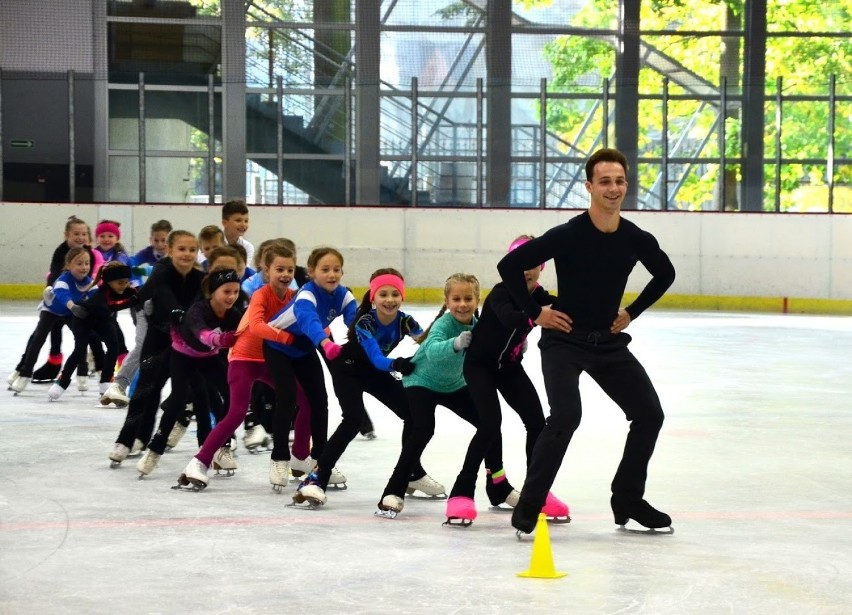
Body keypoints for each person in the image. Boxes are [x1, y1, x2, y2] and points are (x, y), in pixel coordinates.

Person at [497, 148, 676, 534]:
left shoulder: (635, 238)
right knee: (565, 417)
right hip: (564, 340)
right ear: (590, 187)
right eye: (605, 181)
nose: (613, 189)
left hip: (609, 343)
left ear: (626, 185)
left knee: (649, 414)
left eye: (619, 181)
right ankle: (530, 501)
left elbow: (665, 274)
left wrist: (632, 312)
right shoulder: (569, 234)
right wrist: (535, 313)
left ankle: (627, 498)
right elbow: (509, 266)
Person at [444, 236, 569, 526]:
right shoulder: (501, 293)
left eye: (533, 264)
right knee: (489, 424)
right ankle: (461, 492)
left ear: (542, 266)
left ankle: (536, 492)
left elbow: (564, 306)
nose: (527, 269)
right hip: (480, 366)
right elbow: (511, 317)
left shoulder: (540, 296)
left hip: (509, 367)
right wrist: (539, 317)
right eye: (520, 263)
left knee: (538, 422)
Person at [294, 268, 444, 507]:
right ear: (373, 298)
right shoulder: (365, 322)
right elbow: (376, 358)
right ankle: (316, 478)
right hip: (349, 369)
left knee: (414, 415)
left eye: (395, 294)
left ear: (402, 297)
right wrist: (398, 363)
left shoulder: (405, 320)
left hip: (376, 373)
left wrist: (443, 325)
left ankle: (412, 473)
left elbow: (425, 341)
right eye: (383, 294)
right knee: (353, 420)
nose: (390, 300)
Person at [375, 273, 520, 519]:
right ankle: (394, 490)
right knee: (423, 429)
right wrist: (455, 343)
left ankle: (498, 486)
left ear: (477, 299)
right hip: (422, 381)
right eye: (456, 299)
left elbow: (493, 347)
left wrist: (516, 345)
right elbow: (431, 351)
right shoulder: (443, 324)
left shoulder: (478, 324)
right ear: (447, 300)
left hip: (454, 385)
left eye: (467, 298)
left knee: (490, 424)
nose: (462, 304)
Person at [176, 244, 298, 490]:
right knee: (236, 412)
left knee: (303, 396)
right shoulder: (260, 296)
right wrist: (219, 339)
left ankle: (304, 459)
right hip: (241, 360)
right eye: (279, 269)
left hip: (266, 360)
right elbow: (211, 331)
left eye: (290, 269)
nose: (232, 296)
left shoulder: (289, 297)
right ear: (266, 270)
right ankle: (199, 462)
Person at [108, 230, 204, 467]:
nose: (187, 254)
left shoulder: (199, 279)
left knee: (195, 391)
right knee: (146, 388)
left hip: (184, 343)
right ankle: (127, 439)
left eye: (192, 250)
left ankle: (211, 446)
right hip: (158, 337)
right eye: (182, 249)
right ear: (170, 250)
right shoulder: (162, 271)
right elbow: (160, 294)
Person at [264, 247, 356, 492]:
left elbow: (357, 321)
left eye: (336, 269)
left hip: (304, 349)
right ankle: (279, 458)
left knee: (319, 401)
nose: (331, 274)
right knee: (287, 396)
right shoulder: (307, 294)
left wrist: (371, 344)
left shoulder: (343, 295)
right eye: (325, 270)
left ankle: (320, 460)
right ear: (312, 272)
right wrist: (326, 343)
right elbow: (310, 322)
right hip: (278, 346)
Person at [136, 268, 243, 477]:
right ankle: (154, 450)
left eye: (236, 291)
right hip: (182, 357)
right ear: (212, 292)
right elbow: (202, 333)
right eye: (226, 291)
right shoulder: (198, 310)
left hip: (208, 359)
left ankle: (223, 446)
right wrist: (220, 340)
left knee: (231, 393)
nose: (232, 297)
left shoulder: (234, 314)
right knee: (177, 401)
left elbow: (246, 333)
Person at [9, 246, 95, 394]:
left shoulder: (89, 282)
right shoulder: (63, 280)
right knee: (38, 338)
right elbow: (62, 296)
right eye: (79, 263)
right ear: (68, 265)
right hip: (51, 310)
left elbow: (96, 297)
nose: (84, 267)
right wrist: (73, 307)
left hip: (69, 312)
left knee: (82, 339)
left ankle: (82, 372)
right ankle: (25, 374)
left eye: (87, 263)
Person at [47, 262, 137, 401]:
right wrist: (134, 300)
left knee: (114, 346)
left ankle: (106, 381)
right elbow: (112, 307)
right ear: (109, 281)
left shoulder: (123, 289)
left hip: (102, 319)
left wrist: (140, 296)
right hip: (83, 319)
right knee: (80, 349)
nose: (124, 286)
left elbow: (133, 295)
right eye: (120, 282)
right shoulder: (100, 296)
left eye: (126, 282)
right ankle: (62, 381)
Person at [16, 216, 90, 385]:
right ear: (66, 235)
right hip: (55, 302)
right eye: (76, 234)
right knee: (40, 335)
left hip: (72, 305)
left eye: (84, 234)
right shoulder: (60, 252)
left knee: (82, 335)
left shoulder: (87, 252)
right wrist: (53, 290)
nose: (80, 237)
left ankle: (82, 370)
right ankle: (24, 369)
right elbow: (55, 274)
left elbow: (89, 277)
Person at [220, 198, 255, 268]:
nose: (243, 225)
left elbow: (245, 270)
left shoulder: (248, 247)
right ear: (224, 223)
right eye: (238, 220)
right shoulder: (214, 244)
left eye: (246, 221)